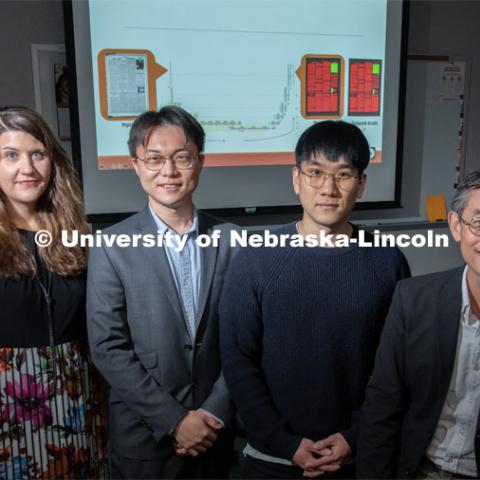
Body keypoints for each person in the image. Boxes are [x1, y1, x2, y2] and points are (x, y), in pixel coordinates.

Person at [219, 120, 410, 479]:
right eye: (315, 173)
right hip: (270, 459)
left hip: (356, 457)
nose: (328, 188)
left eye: (343, 175)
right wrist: (284, 443)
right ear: (296, 179)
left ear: (362, 184)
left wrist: (355, 436)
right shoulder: (256, 258)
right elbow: (237, 358)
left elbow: (394, 365)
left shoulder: (388, 260)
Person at [87, 105, 236, 479]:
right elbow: (107, 346)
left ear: (200, 163)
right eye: (154, 159)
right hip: (145, 439)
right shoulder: (110, 245)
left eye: (181, 158)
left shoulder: (233, 240)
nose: (168, 171)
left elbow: (246, 339)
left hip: (216, 435)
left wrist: (213, 413)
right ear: (136, 165)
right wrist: (174, 420)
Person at [0, 106, 108, 478]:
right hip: (8, 403)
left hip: (78, 395)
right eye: (10, 155)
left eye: (38, 154)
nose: (27, 168)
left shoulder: (80, 236)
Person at [357, 170, 480, 479]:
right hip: (420, 470)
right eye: (479, 222)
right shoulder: (413, 300)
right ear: (456, 226)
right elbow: (382, 408)